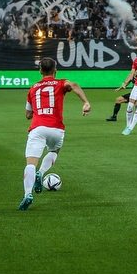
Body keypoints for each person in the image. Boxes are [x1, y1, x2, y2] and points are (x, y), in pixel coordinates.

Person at [19, 57, 91, 211]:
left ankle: (27, 194)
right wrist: (85, 102)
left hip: (38, 128)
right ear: (55, 70)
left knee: (30, 163)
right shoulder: (60, 83)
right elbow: (73, 85)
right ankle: (42, 172)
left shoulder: (33, 88)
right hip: (56, 129)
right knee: (54, 150)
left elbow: (28, 115)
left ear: (40, 71)